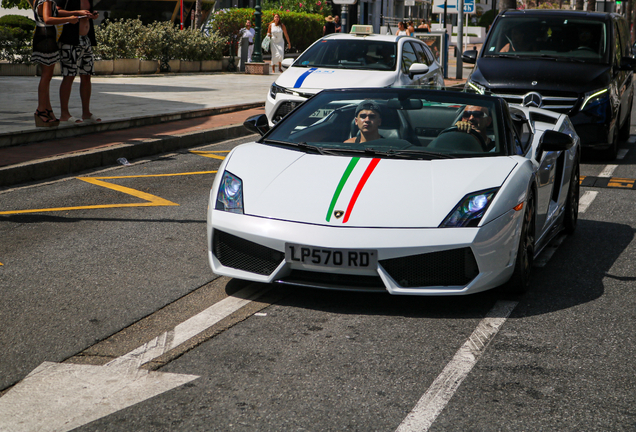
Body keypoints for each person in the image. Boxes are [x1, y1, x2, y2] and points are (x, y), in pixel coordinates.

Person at [31, 0, 81, 127]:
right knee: (46, 76)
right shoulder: (46, 0)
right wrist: (68, 20)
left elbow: (52, 14)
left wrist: (71, 15)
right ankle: (41, 109)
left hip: (45, 35)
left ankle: (46, 109)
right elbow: (48, 19)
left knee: (47, 75)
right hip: (46, 36)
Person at [57, 0, 100, 125]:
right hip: (70, 40)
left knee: (87, 75)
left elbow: (89, 12)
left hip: (86, 40)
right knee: (69, 76)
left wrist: (94, 15)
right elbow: (57, 11)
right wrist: (76, 12)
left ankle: (86, 112)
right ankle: (64, 113)